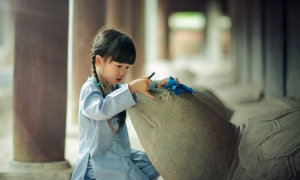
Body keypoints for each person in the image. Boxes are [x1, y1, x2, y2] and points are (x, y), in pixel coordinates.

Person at [71, 28, 178, 180]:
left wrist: (157, 84)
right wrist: (132, 87)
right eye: (119, 66)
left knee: (157, 163)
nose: (123, 72)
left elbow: (126, 91)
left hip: (119, 152)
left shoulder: (113, 88)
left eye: (127, 67)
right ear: (99, 61)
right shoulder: (90, 89)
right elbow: (101, 109)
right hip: (99, 161)